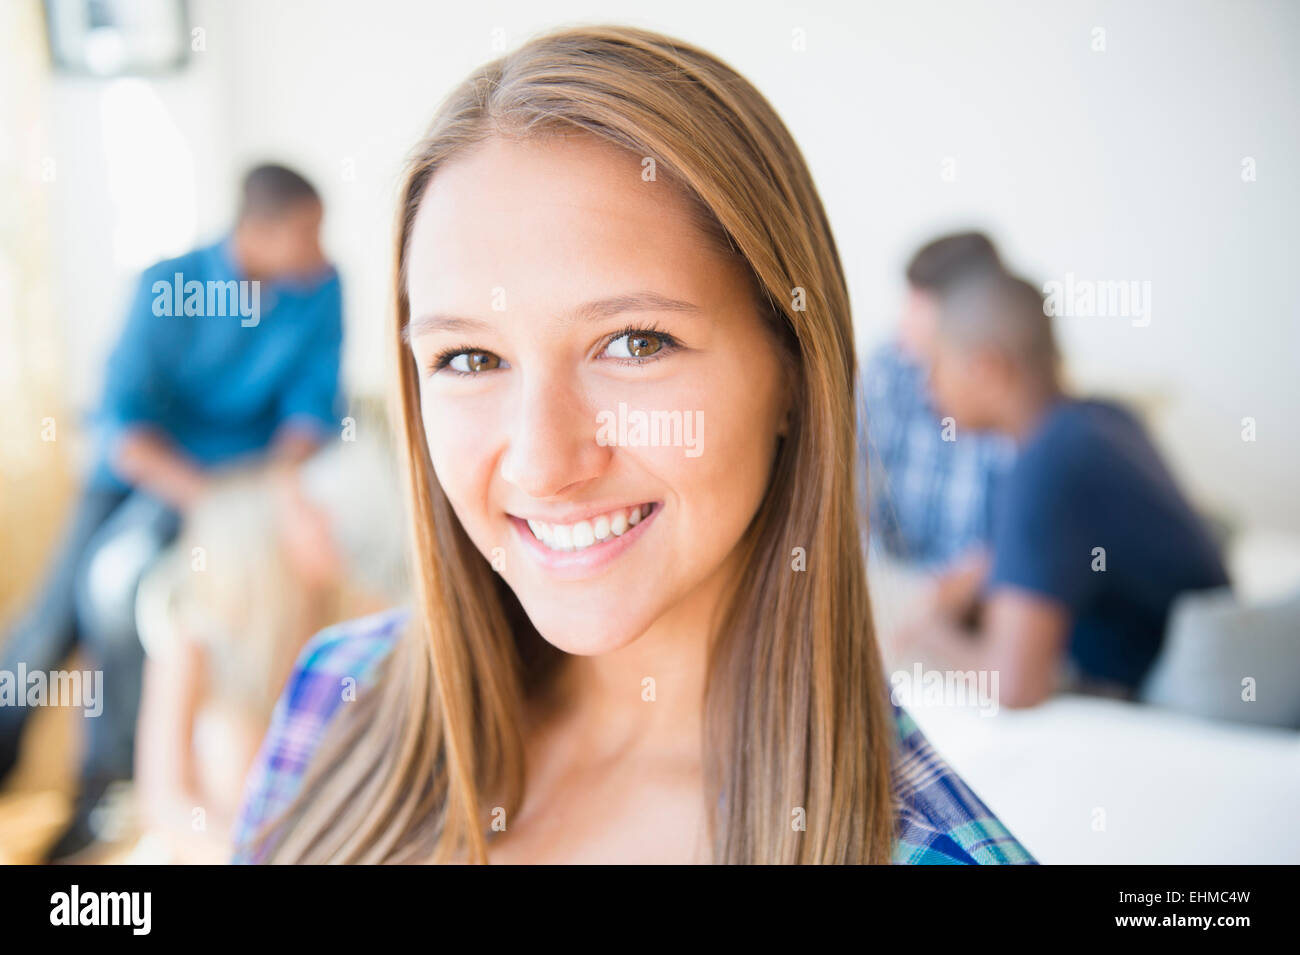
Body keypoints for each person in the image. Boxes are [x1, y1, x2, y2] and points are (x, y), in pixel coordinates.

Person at [231, 24, 1034, 864]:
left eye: (636, 344)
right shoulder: (335, 695)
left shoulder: (925, 851)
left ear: (793, 373)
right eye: (469, 357)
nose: (544, 462)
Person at [0, 163, 343, 861]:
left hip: (245, 485)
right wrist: (207, 499)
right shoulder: (168, 286)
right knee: (56, 617)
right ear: (257, 231)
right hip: (146, 477)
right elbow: (123, 431)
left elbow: (310, 414)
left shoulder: (321, 288)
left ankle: (103, 794)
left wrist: (250, 503)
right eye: (305, 234)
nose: (320, 250)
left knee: (121, 594)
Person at [898, 270, 1230, 705]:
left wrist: (928, 635)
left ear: (987, 369)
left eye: (935, 364)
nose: (928, 386)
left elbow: (1013, 686)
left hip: (1162, 694)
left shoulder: (1046, 467)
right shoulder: (1102, 420)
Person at [130, 424, 405, 864]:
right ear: (261, 542)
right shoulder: (194, 644)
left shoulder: (354, 615)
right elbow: (165, 804)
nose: (326, 518)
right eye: (305, 509)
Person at [859, 232, 1014, 568]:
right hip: (893, 573)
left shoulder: (1008, 386)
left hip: (974, 593)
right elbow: (849, 476)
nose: (905, 320)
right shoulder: (891, 365)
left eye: (920, 304)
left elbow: (1015, 543)